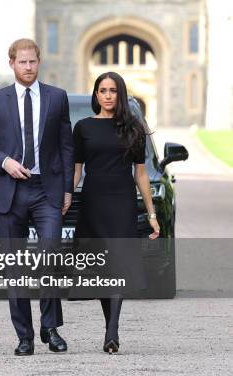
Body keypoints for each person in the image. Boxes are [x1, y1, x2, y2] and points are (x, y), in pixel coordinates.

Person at [0, 38, 74, 356]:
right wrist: (4, 161)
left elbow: (65, 145)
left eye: (33, 62)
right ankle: (24, 336)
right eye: (23, 62)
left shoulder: (57, 98)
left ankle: (50, 327)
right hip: (10, 191)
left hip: (47, 191)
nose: (28, 67)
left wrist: (68, 188)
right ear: (12, 63)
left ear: (39, 62)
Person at [72, 71, 159, 354]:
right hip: (93, 200)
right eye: (102, 90)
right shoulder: (83, 127)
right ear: (96, 95)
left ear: (119, 94)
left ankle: (112, 330)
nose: (108, 95)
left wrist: (151, 213)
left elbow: (142, 174)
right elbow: (76, 171)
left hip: (121, 200)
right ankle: (110, 326)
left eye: (112, 90)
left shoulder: (133, 127)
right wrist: (63, 198)